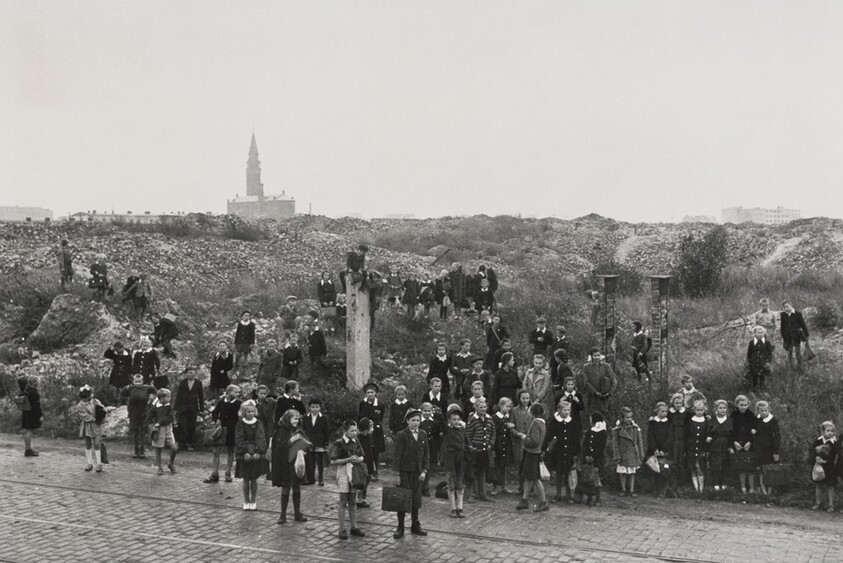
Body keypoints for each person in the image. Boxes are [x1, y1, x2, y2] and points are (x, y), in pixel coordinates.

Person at [392, 408, 430, 539]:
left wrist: (424, 471)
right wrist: (397, 474)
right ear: (407, 421)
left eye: (418, 420)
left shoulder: (423, 434)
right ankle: (400, 526)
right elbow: (397, 456)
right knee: (403, 498)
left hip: (418, 473)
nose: (415, 423)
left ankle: (415, 524)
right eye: (413, 420)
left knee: (416, 499)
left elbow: (426, 455)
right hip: (405, 472)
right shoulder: (402, 435)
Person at [272, 408, 312, 524]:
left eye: (298, 419)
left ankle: (297, 513)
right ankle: (282, 515)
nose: (297, 421)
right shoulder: (281, 431)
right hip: (285, 465)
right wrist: (291, 441)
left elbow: (305, 443)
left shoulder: (298, 430)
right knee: (286, 487)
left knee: (296, 487)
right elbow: (279, 448)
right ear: (288, 419)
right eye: (294, 419)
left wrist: (304, 451)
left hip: (295, 463)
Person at [330, 420, 366, 539]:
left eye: (356, 430)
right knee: (343, 500)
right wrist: (348, 459)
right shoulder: (339, 443)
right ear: (346, 431)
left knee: (352, 500)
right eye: (352, 431)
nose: (355, 433)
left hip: (354, 472)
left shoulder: (356, 441)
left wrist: (359, 459)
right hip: (344, 472)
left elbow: (362, 456)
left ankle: (354, 526)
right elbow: (333, 461)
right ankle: (342, 529)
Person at [515, 403, 548, 512]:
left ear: (532, 412)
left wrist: (524, 438)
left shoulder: (535, 423)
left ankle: (543, 502)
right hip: (535, 453)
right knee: (529, 478)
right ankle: (524, 499)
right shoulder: (542, 423)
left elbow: (534, 440)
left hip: (532, 453)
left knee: (534, 478)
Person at [545, 399, 580, 503]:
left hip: (569, 452)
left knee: (568, 474)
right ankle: (558, 494)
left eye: (568, 410)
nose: (566, 412)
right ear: (559, 410)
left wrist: (576, 453)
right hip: (558, 452)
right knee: (559, 474)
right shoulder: (554, 422)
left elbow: (576, 439)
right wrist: (546, 448)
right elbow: (549, 436)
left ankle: (569, 496)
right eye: (564, 410)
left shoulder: (573, 423)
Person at [205, 384, 241, 484]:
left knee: (230, 451)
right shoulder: (222, 402)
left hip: (232, 430)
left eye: (238, 392)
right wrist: (216, 420)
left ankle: (228, 472)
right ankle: (215, 473)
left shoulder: (239, 404)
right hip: (221, 429)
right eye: (235, 392)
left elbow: (241, 416)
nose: (237, 394)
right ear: (229, 392)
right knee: (216, 451)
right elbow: (215, 412)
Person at [234, 400, 266, 511]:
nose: (251, 414)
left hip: (255, 452)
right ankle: (246, 501)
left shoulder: (258, 423)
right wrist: (244, 452)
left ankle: (253, 501)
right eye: (248, 412)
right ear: (244, 412)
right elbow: (239, 439)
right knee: (246, 479)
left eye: (252, 411)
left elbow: (261, 438)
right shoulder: (240, 424)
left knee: (254, 479)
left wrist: (258, 451)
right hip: (245, 453)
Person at [440, 404, 469, 518]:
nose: (456, 422)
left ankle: (460, 507)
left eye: (458, 420)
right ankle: (452, 508)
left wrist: (469, 449)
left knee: (460, 482)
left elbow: (466, 442)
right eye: (454, 420)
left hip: (460, 459)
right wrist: (440, 414)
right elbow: (442, 423)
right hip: (450, 458)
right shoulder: (447, 430)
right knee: (451, 482)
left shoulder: (462, 430)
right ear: (449, 420)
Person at [465, 397, 495, 502]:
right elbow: (468, 434)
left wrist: (491, 443)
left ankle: (483, 493)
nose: (483, 409)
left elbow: (493, 432)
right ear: (476, 408)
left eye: (484, 407)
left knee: (482, 471)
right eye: (480, 407)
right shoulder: (472, 419)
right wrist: (470, 446)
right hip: (475, 449)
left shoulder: (489, 418)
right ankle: (473, 493)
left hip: (485, 449)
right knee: (473, 471)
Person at [120, 373, 156, 458]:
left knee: (143, 431)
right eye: (136, 381)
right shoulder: (130, 388)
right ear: (133, 381)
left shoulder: (147, 388)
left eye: (139, 381)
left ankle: (142, 451)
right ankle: (136, 451)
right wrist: (127, 387)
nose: (138, 383)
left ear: (142, 381)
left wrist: (151, 397)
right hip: (133, 412)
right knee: (135, 431)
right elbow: (122, 393)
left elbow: (155, 390)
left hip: (144, 412)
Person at [612, 406, 644, 498]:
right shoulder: (617, 429)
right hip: (623, 454)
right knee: (623, 473)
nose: (629, 419)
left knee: (632, 473)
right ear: (622, 418)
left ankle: (632, 489)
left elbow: (640, 442)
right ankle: (623, 489)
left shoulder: (635, 428)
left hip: (633, 453)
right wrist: (617, 456)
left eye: (630, 417)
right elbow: (615, 443)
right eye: (627, 417)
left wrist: (641, 454)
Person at [147, 387, 178, 475]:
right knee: (158, 449)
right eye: (168, 397)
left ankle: (171, 463)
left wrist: (159, 423)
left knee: (174, 447)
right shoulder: (155, 408)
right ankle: (159, 467)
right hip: (158, 430)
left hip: (168, 428)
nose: (170, 399)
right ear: (162, 398)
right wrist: (150, 427)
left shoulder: (169, 407)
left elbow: (170, 418)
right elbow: (148, 417)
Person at [358, 382, 385, 481]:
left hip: (376, 431)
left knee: (375, 452)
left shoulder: (380, 404)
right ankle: (367, 472)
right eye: (368, 392)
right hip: (365, 431)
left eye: (372, 392)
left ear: (375, 393)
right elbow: (360, 417)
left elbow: (380, 418)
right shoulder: (362, 403)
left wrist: (373, 426)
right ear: (365, 394)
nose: (370, 394)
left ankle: (375, 472)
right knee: (365, 452)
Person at [731, 394, 758, 494]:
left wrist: (750, 442)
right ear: (737, 405)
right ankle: (743, 488)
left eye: (745, 405)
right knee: (741, 467)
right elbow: (731, 431)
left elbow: (754, 430)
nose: (744, 407)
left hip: (748, 444)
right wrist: (734, 442)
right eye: (741, 405)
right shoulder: (733, 415)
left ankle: (751, 488)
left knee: (750, 467)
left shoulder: (751, 415)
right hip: (737, 443)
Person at [809, 421, 839, 513]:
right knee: (818, 485)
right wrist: (816, 458)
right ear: (822, 431)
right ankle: (818, 503)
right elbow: (811, 450)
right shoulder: (818, 440)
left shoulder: (834, 443)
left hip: (829, 467)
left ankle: (831, 505)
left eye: (832, 431)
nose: (830, 433)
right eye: (828, 430)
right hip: (819, 466)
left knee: (830, 486)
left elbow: (835, 454)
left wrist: (827, 460)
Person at [75, 385, 106, 472]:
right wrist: (95, 419)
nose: (85, 399)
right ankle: (89, 463)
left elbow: (102, 408)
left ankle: (99, 463)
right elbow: (84, 416)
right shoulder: (80, 406)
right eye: (83, 397)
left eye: (87, 396)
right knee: (87, 443)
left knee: (97, 443)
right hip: (87, 426)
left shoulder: (95, 401)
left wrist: (103, 412)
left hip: (96, 426)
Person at [173, 366, 205, 451]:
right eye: (188, 373)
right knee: (182, 426)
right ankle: (181, 443)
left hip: (193, 408)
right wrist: (176, 407)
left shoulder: (198, 383)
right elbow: (178, 395)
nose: (189, 374)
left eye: (191, 372)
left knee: (192, 426)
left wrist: (201, 409)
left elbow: (201, 396)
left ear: (195, 373)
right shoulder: (183, 383)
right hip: (183, 408)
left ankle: (190, 443)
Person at [646, 402, 673, 497]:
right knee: (654, 470)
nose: (664, 413)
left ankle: (663, 491)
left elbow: (670, 437)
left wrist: (664, 450)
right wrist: (655, 449)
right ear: (657, 411)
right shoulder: (652, 423)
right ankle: (655, 490)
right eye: (662, 411)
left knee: (665, 470)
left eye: (666, 411)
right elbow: (650, 436)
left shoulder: (669, 423)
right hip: (654, 451)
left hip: (665, 451)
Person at [580, 411, 608, 506]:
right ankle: (589, 498)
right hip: (588, 458)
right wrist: (586, 455)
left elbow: (600, 446)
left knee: (596, 479)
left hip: (597, 459)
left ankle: (598, 498)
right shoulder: (590, 431)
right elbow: (585, 444)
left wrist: (593, 456)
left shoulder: (603, 432)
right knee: (588, 478)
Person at [302, 398, 331, 486]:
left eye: (317, 407)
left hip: (320, 442)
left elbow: (327, 431)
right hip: (309, 441)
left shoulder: (324, 418)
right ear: (309, 408)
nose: (315, 409)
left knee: (320, 461)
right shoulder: (305, 417)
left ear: (320, 408)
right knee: (310, 461)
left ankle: (321, 478)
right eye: (313, 407)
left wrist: (326, 442)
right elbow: (303, 430)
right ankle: (311, 478)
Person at [755, 400, 781, 495]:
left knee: (769, 470)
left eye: (766, 410)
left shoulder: (773, 421)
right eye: (761, 411)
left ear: (769, 410)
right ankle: (763, 490)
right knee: (760, 470)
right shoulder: (757, 420)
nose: (764, 412)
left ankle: (769, 491)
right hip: (759, 449)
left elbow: (777, 437)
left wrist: (776, 451)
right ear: (758, 411)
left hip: (770, 449)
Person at [705, 399, 732, 492]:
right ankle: (715, 483)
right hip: (714, 445)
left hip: (726, 444)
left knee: (725, 464)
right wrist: (708, 437)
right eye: (720, 408)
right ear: (716, 409)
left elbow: (732, 434)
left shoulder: (730, 420)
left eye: (724, 408)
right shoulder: (711, 420)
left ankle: (724, 483)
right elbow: (708, 432)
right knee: (715, 464)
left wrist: (731, 446)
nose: (722, 410)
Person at [511, 389, 533, 494]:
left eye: (527, 398)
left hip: (530, 440)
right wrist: (517, 433)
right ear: (519, 399)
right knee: (520, 464)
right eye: (523, 398)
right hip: (519, 441)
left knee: (530, 464)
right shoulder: (514, 410)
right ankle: (521, 486)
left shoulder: (533, 409)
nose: (525, 400)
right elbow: (511, 426)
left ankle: (530, 487)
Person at [583, 348, 617, 416]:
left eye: (598, 355)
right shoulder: (586, 367)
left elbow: (614, 380)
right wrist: (595, 392)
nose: (597, 357)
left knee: (605, 414)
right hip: (593, 396)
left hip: (605, 395)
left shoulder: (606, 366)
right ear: (591, 356)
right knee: (594, 414)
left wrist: (609, 393)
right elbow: (586, 382)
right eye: (595, 355)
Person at [491, 397, 515, 495]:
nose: (508, 408)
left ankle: (503, 485)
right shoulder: (495, 417)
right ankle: (496, 486)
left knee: (504, 466)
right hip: (498, 443)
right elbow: (494, 431)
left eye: (509, 407)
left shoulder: (509, 417)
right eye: (506, 406)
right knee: (497, 466)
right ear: (500, 406)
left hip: (506, 443)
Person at [419, 402, 443, 491]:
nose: (427, 413)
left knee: (428, 467)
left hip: (431, 448)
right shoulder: (419, 422)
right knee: (420, 466)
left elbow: (437, 435)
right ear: (421, 411)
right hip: (421, 447)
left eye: (429, 411)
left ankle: (425, 487)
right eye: (425, 411)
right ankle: (419, 487)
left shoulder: (434, 422)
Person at [686, 400, 709, 493]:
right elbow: (687, 435)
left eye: (701, 410)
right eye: (698, 410)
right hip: (691, 448)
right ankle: (696, 488)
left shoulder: (706, 421)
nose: (700, 412)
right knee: (692, 467)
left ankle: (701, 488)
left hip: (701, 448)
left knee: (700, 467)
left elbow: (707, 433)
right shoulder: (690, 421)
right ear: (694, 410)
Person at [780, 299, 809, 371]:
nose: (785, 308)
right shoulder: (783, 315)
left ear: (791, 305)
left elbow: (803, 325)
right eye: (784, 307)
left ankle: (800, 367)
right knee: (789, 353)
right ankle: (791, 368)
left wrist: (806, 336)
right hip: (787, 337)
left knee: (797, 352)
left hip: (796, 336)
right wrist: (783, 336)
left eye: (787, 306)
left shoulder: (797, 314)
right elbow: (782, 326)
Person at [668, 393, 689, 488]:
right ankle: (673, 484)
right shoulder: (669, 412)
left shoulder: (685, 412)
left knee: (682, 460)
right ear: (672, 403)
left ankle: (682, 484)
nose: (678, 405)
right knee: (674, 460)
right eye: (676, 403)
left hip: (683, 437)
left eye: (680, 403)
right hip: (673, 438)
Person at [19, 375, 42, 457]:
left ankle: (28, 449)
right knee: (29, 431)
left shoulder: (26, 391)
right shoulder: (34, 393)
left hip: (25, 413)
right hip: (31, 414)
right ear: (35, 383)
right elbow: (36, 406)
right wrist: (40, 415)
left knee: (27, 431)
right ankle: (28, 450)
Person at [523, 354, 553, 418]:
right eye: (536, 363)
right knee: (528, 416)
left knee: (540, 416)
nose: (537, 365)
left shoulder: (545, 374)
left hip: (541, 399)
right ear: (533, 362)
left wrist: (538, 399)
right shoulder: (529, 372)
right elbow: (524, 383)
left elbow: (545, 387)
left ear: (543, 364)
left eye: (540, 363)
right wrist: (526, 395)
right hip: (529, 397)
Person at [746, 326, 774, 391]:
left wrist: (767, 361)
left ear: (764, 334)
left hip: (763, 362)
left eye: (761, 333)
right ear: (755, 334)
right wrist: (749, 361)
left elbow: (770, 353)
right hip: (754, 363)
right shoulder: (752, 342)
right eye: (758, 333)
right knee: (754, 377)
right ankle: (754, 390)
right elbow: (749, 353)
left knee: (762, 376)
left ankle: (762, 390)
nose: (760, 334)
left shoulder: (767, 343)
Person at [356, 418, 375, 508]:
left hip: (369, 461)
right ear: (366, 429)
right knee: (362, 480)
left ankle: (363, 497)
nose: (373, 429)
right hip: (363, 463)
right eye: (371, 427)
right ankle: (359, 499)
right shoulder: (359, 439)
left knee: (368, 479)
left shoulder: (369, 437)